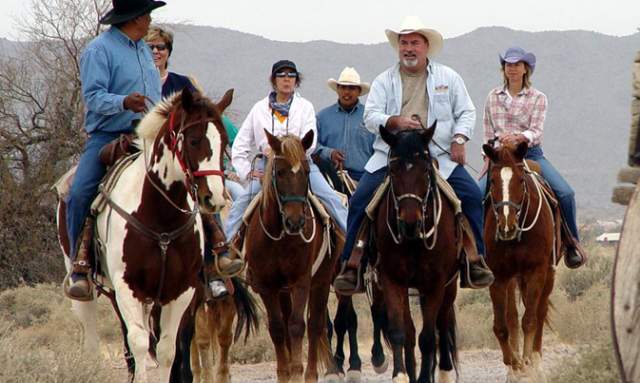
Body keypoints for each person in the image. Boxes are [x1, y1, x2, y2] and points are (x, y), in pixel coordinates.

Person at [333, 16, 494, 293]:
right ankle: (352, 264)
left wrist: (459, 138)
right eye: (404, 43)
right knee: (360, 200)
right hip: (391, 155)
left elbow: (466, 111)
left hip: (437, 155)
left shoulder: (448, 78)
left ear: (426, 46)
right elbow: (370, 117)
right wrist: (394, 121)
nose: (409, 48)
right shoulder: (385, 80)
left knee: (471, 197)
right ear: (398, 47)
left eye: (414, 43)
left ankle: (474, 259)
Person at [65, 0, 166, 300]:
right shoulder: (99, 50)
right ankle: (79, 265)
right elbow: (94, 97)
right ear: (134, 19)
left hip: (148, 134)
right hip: (108, 135)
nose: (150, 20)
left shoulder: (144, 50)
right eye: (147, 14)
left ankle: (212, 253)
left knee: (190, 177)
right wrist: (123, 102)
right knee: (80, 191)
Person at [144, 25, 244, 298]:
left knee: (206, 197)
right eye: (150, 46)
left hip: (179, 158)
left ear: (169, 52)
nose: (156, 52)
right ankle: (86, 259)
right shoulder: (135, 79)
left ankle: (216, 263)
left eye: (161, 47)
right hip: (140, 149)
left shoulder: (182, 84)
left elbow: (201, 121)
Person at [479, 46, 586, 268]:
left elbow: (536, 131)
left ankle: (571, 244)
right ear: (504, 69)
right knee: (474, 195)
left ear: (526, 69)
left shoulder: (538, 98)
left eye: (517, 65)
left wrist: (518, 138)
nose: (513, 69)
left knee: (565, 193)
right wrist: (488, 156)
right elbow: (488, 132)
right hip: (498, 158)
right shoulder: (492, 97)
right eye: (509, 65)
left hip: (529, 154)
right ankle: (475, 251)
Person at [224, 60, 348, 241]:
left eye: (291, 75)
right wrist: (247, 172)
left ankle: (350, 248)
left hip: (301, 165)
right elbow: (240, 146)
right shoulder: (259, 109)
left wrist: (291, 151)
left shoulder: (305, 107)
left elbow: (310, 142)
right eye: (281, 75)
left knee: (331, 199)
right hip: (269, 166)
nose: (286, 79)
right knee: (241, 203)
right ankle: (227, 250)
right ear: (274, 81)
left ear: (296, 81)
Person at [314, 67, 374, 187]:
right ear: (338, 90)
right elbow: (312, 145)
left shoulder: (371, 117)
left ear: (359, 91)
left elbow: (380, 147)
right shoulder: (322, 117)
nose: (346, 92)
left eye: (351, 88)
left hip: (364, 178)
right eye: (343, 87)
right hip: (330, 177)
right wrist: (329, 153)